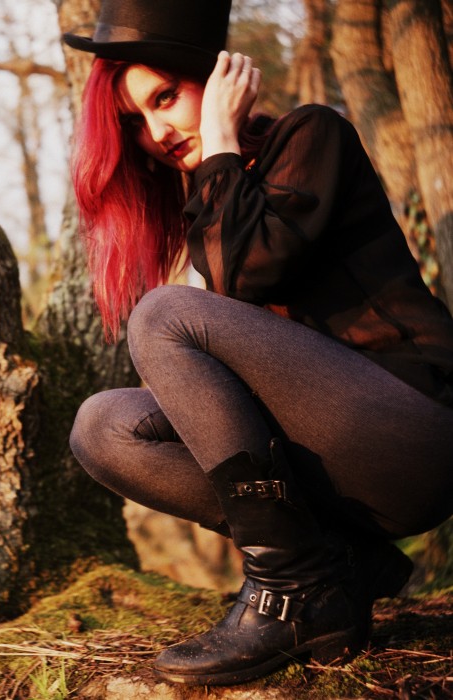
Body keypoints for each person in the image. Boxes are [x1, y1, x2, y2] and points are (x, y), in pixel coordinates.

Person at [63, 0, 453, 687]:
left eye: (166, 98)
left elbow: (251, 271)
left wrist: (218, 137)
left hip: (414, 430)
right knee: (102, 426)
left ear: (215, 79)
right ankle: (333, 569)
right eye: (135, 122)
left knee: (163, 314)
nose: (156, 133)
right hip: (334, 459)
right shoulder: (212, 208)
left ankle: (288, 589)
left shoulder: (310, 135)